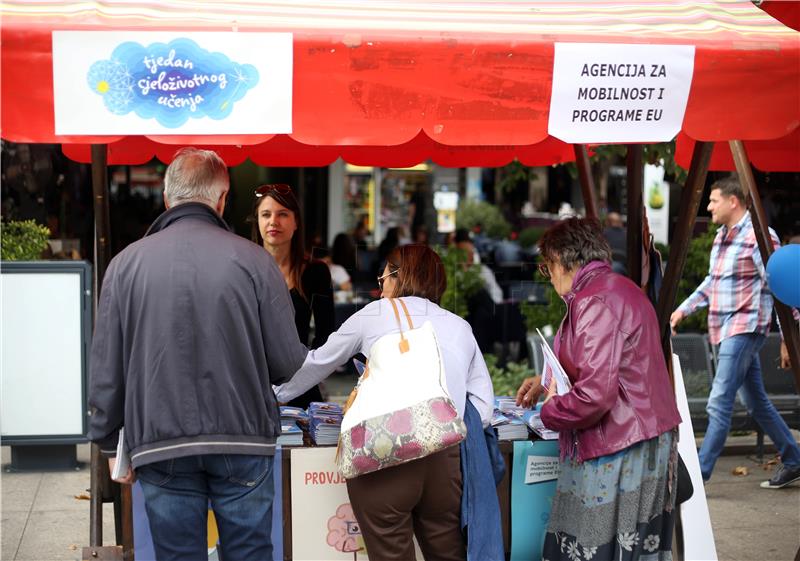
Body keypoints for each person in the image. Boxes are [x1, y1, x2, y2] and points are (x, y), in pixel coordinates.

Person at [87, 148, 308, 560]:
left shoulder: (123, 266)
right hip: (243, 439)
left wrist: (106, 441)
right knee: (249, 553)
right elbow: (288, 363)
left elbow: (105, 374)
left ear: (167, 200)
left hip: (159, 440)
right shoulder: (256, 261)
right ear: (222, 200)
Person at [275, 244, 495, 560]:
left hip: (385, 454)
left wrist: (273, 394)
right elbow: (484, 411)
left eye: (383, 279)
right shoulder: (460, 327)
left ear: (397, 276)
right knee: (447, 552)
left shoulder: (375, 313)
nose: (381, 288)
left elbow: (316, 364)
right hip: (444, 463)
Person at [515, 217, 681, 561]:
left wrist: (547, 411)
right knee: (626, 547)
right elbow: (601, 367)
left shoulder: (595, 300)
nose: (549, 277)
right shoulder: (615, 289)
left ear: (561, 259)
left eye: (548, 268)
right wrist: (545, 381)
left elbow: (596, 394)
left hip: (623, 443)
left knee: (599, 547)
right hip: (636, 436)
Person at [671, 177, 800, 489]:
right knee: (756, 403)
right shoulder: (721, 237)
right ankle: (795, 459)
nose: (710, 206)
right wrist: (682, 310)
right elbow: (712, 282)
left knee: (718, 401)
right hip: (725, 330)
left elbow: (781, 286)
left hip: (745, 328)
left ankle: (698, 478)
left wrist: (788, 338)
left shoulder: (759, 236)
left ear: (733, 201)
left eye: (714, 200)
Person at [252, 183, 335, 409]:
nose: (273, 222)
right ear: (258, 221)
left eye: (283, 214)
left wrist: (299, 381)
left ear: (296, 221)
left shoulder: (315, 272)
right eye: (266, 214)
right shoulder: (243, 271)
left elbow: (326, 335)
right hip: (251, 388)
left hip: (300, 386)